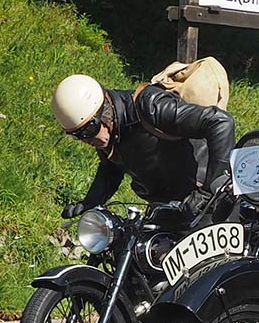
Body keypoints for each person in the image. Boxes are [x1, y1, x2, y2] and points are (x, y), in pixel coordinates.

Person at [53, 73, 234, 217]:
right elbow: (111, 170)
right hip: (168, 209)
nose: (87, 140)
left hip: (209, 206)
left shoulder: (150, 106)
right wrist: (90, 203)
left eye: (88, 131)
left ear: (103, 111)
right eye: (77, 135)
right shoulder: (109, 132)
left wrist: (210, 191)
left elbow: (220, 122)